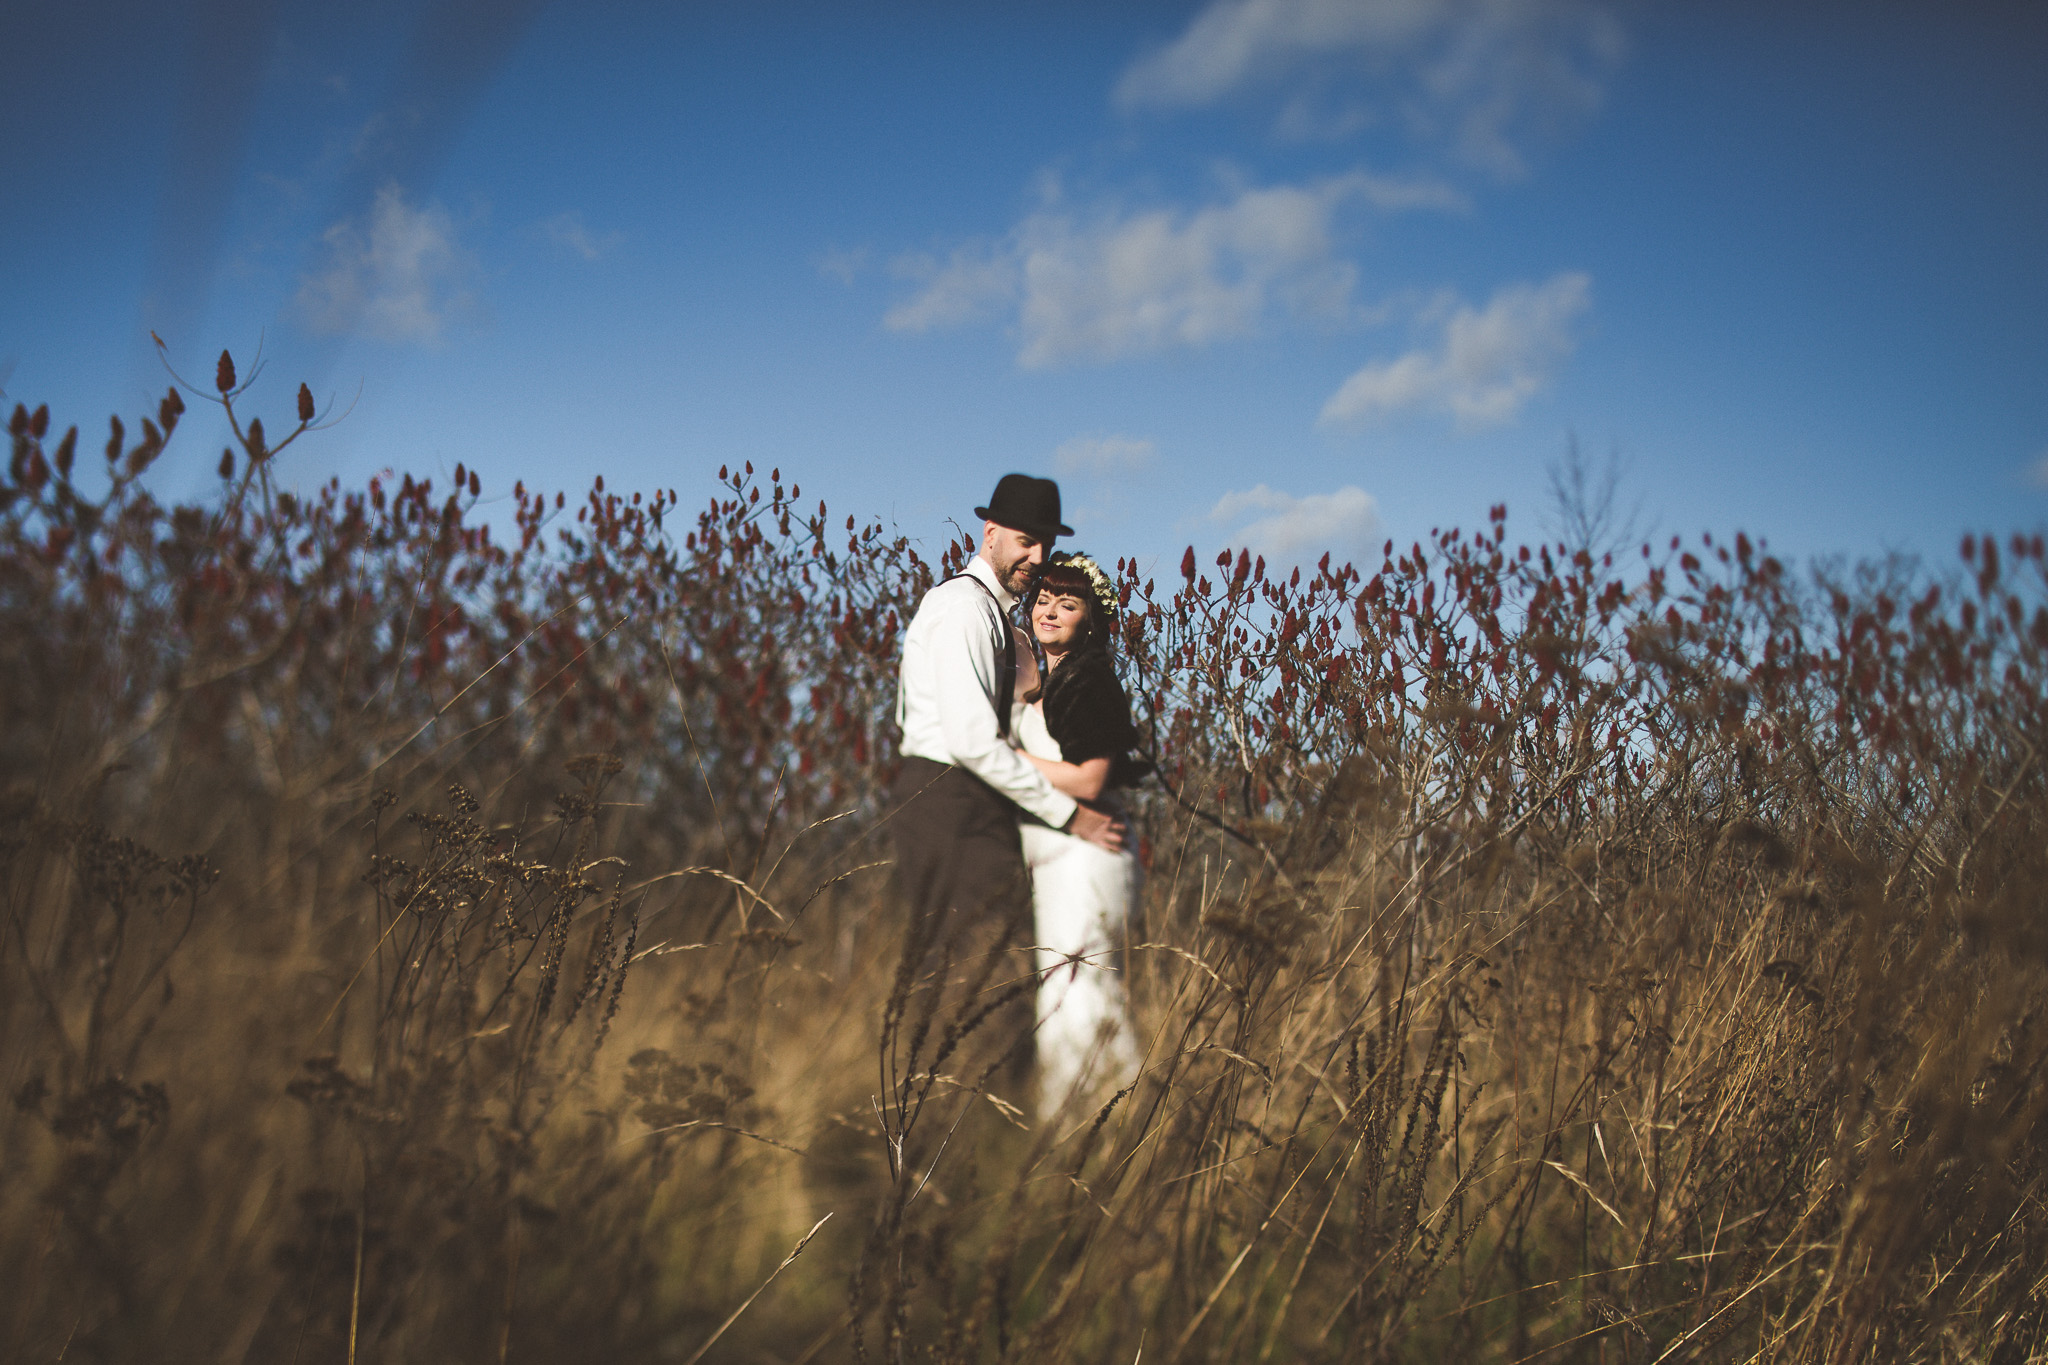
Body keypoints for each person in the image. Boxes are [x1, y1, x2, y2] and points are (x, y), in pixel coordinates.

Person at [891, 475, 1125, 1094]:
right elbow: (970, 742)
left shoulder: (993, 616)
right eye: (1026, 541)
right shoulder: (964, 608)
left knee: (973, 967)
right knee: (981, 966)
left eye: (1045, 545)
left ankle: (954, 1122)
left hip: (960, 799)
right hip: (952, 800)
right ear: (989, 534)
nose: (1037, 559)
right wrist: (1070, 817)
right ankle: (958, 1126)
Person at [1011, 551, 1148, 1116]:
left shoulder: (1089, 680)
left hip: (1088, 851)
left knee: (1083, 984)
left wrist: (1006, 758)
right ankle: (1073, 1113)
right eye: (1043, 600)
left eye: (1066, 605)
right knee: (1063, 983)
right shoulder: (1053, 677)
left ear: (1089, 618)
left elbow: (1090, 777)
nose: (1048, 613)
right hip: (1062, 855)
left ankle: (1107, 1117)